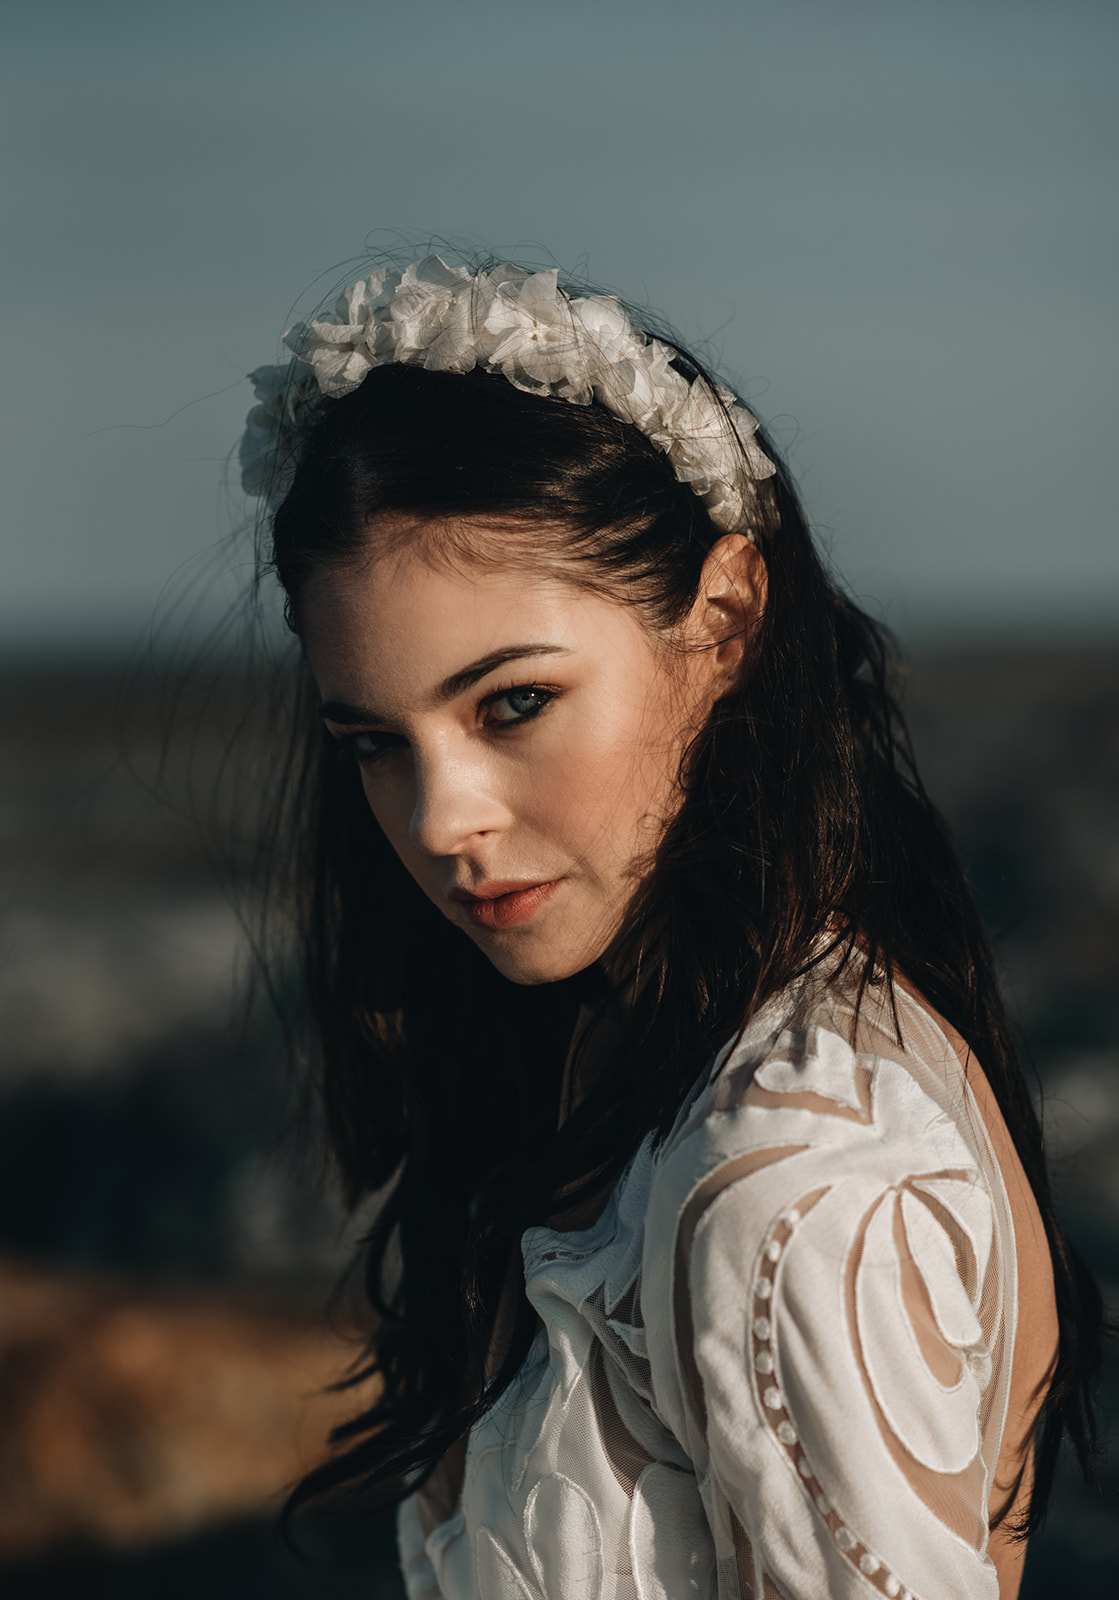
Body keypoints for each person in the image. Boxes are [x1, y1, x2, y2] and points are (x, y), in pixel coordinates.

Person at [239, 255, 1102, 1599]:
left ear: (726, 622)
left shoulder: (787, 1169)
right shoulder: (648, 1059)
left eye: (512, 704)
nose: (439, 819)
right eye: (373, 745)